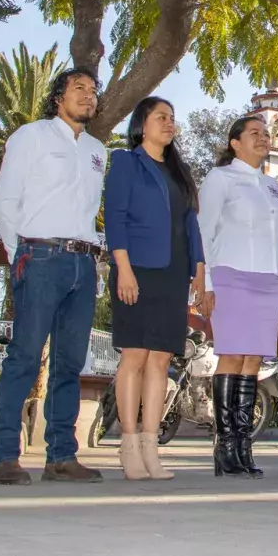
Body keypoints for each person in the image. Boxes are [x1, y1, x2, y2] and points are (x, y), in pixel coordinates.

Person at [0, 68, 109, 485]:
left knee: (70, 364)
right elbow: (5, 199)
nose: (88, 96)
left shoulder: (97, 150)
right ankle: (3, 456)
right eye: (79, 89)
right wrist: (21, 251)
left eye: (93, 91)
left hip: (83, 263)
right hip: (40, 257)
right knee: (24, 356)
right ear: (58, 97)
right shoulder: (31, 136)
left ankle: (61, 456)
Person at [104, 96, 206, 480]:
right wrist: (124, 269)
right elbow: (115, 217)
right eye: (161, 116)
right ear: (141, 125)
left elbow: (190, 225)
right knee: (135, 356)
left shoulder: (180, 171)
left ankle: (151, 444)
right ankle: (128, 443)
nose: (169, 122)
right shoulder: (126, 163)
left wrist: (198, 269)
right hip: (137, 270)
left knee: (161, 359)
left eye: (172, 117)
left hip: (173, 274)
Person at [196, 115, 278, 477]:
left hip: (268, 280)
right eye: (255, 133)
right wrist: (203, 283)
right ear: (235, 143)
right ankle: (224, 446)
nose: (263, 138)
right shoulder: (220, 178)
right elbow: (203, 231)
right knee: (233, 355)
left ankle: (243, 444)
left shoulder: (271, 185)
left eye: (266, 134)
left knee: (253, 362)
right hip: (230, 275)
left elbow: (276, 242)